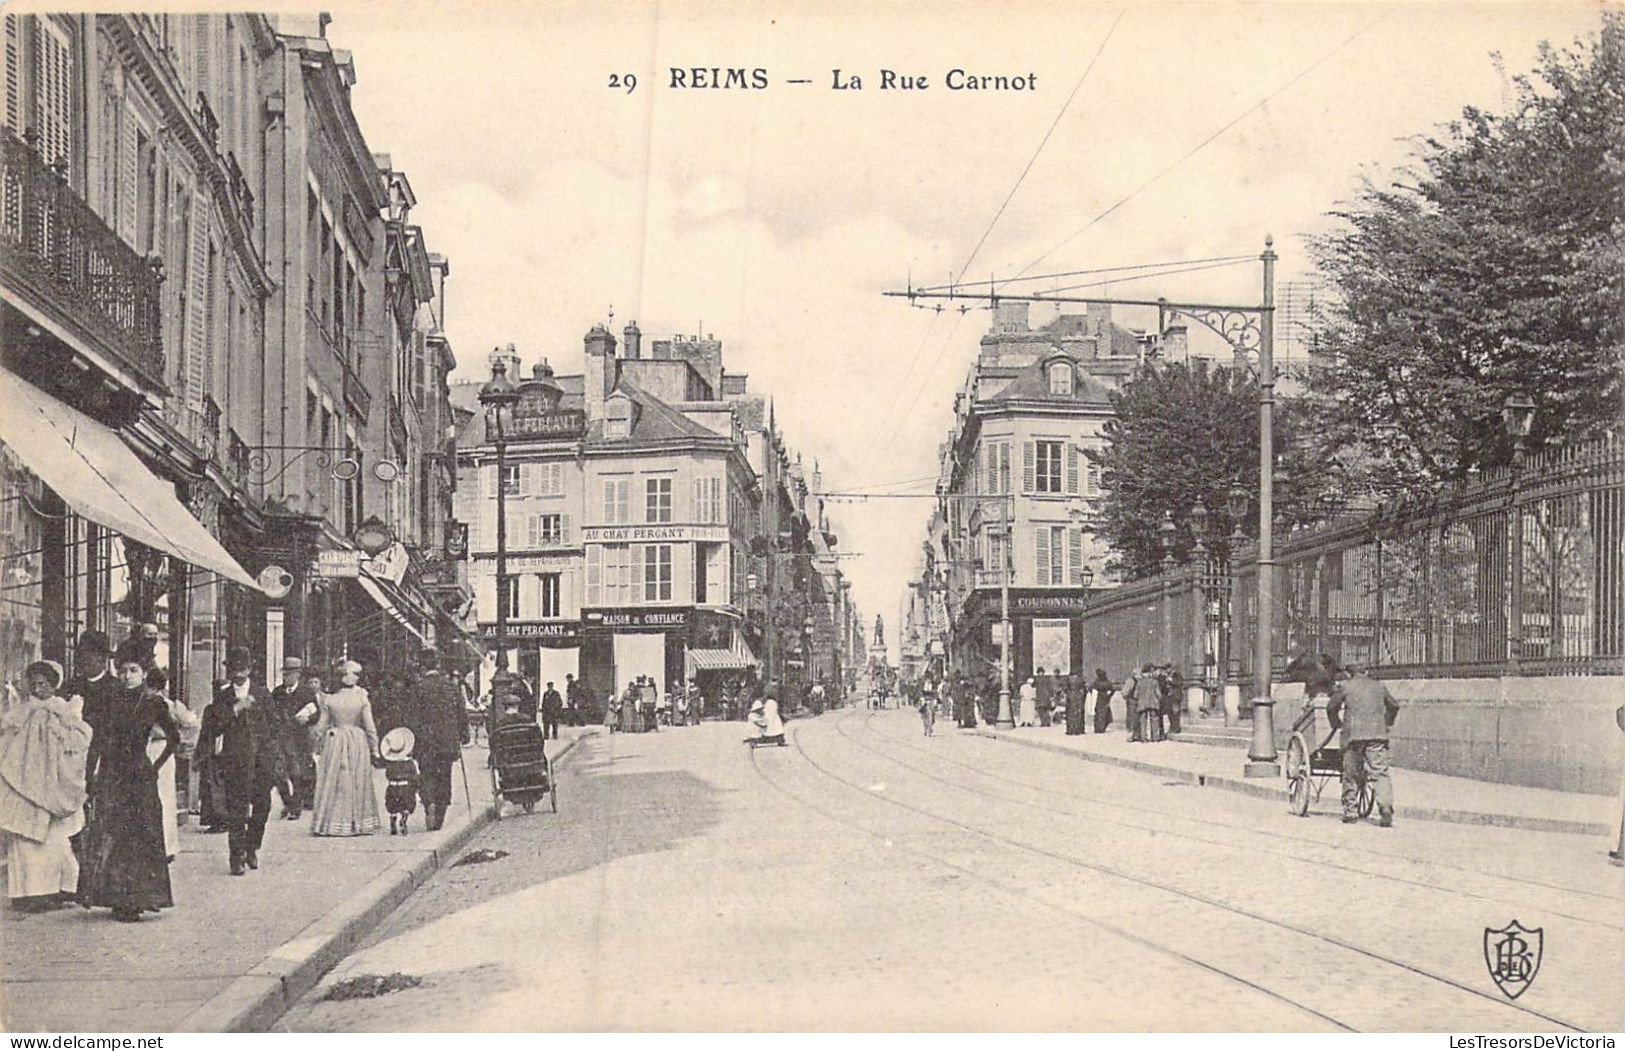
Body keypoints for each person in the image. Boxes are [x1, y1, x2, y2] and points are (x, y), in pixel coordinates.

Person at [76, 641, 178, 922]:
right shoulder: (109, 699)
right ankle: (116, 897)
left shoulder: (153, 702)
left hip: (139, 775)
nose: (127, 676)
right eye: (122, 671)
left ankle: (139, 898)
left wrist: (154, 767)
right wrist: (89, 775)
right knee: (114, 834)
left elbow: (174, 740)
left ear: (144, 673)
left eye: (133, 670)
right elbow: (96, 741)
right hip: (112, 773)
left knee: (140, 835)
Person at [0, 660, 91, 914]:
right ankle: (25, 893)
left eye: (44, 684)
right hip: (24, 781)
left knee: (53, 841)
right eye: (35, 684)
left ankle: (52, 891)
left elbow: (79, 738)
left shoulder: (62, 710)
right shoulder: (22, 711)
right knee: (25, 839)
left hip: (54, 783)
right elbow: (7, 738)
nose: (39, 689)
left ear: (54, 685)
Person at [199, 648, 278, 873]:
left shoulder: (263, 694)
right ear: (229, 671)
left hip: (262, 762)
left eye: (242, 669)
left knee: (262, 806)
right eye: (234, 670)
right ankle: (236, 857)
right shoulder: (223, 698)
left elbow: (275, 725)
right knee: (237, 810)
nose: (239, 674)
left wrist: (271, 753)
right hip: (235, 762)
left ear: (250, 670)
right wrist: (235, 709)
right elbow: (214, 727)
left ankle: (252, 846)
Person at [310, 659, 382, 837]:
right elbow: (370, 726)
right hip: (357, 739)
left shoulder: (330, 699)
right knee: (357, 781)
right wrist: (375, 749)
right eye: (355, 673)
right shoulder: (361, 697)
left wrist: (314, 746)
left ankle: (332, 823)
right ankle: (356, 822)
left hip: (335, 740)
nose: (358, 677)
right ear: (347, 676)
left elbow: (320, 726)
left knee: (336, 781)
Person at [1326, 662, 1400, 826]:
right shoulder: (1379, 686)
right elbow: (1394, 706)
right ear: (1366, 672)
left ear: (1348, 673)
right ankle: (1386, 807)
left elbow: (1331, 707)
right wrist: (1386, 723)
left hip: (1353, 737)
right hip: (1377, 736)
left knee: (1351, 773)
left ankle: (1351, 811)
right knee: (1380, 772)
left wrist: (1336, 723)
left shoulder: (1346, 686)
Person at [406, 648, 468, 832]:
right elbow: (460, 712)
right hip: (447, 741)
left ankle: (429, 803)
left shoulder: (418, 687)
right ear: (438, 664)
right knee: (444, 776)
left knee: (427, 775)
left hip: (425, 742)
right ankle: (440, 812)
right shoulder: (450, 686)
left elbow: (411, 715)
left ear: (423, 666)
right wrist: (464, 734)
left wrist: (411, 739)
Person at [143, 666, 197, 861]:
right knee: (163, 798)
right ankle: (163, 846)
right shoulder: (171, 704)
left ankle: (165, 846)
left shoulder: (166, 705)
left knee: (162, 797)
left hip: (160, 749)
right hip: (155, 749)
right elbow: (191, 723)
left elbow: (190, 723)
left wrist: (180, 740)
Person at [269, 657, 320, 820]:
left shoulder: (306, 693)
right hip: (280, 737)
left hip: (299, 738)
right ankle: (288, 802)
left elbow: (316, 714)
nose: (286, 677)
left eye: (290, 674)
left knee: (297, 774)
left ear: (298, 675)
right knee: (278, 773)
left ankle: (295, 808)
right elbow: (269, 711)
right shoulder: (277, 692)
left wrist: (308, 719)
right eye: (285, 674)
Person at [380, 727, 419, 836]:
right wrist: (415, 787)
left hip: (392, 787)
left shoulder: (391, 764)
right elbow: (414, 777)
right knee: (406, 806)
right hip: (405, 787)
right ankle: (404, 820)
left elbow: (388, 775)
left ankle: (393, 821)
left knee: (392, 806)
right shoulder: (409, 764)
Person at [1091, 669, 1116, 735]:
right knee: (1105, 713)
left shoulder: (1096, 682)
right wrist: (1109, 695)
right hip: (1106, 699)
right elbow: (1113, 689)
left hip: (1099, 698)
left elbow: (1091, 688)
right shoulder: (1108, 682)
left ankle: (1098, 728)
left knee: (1099, 713)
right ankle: (1103, 727)